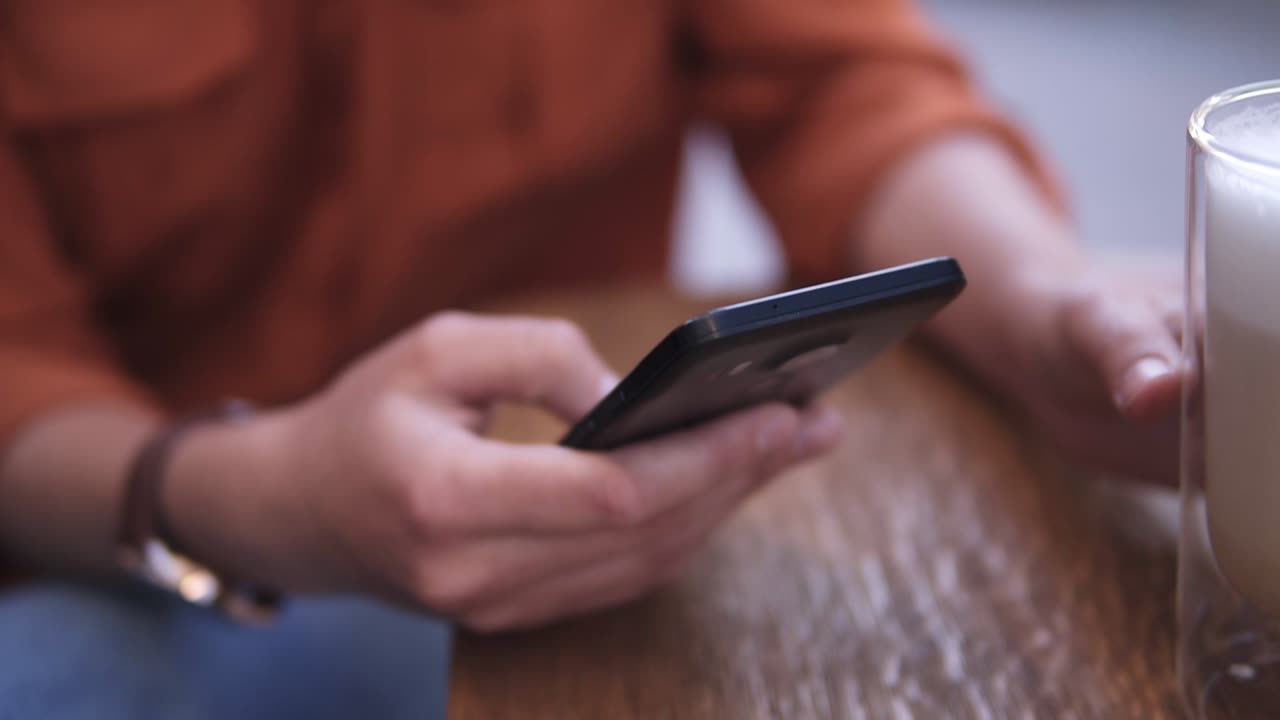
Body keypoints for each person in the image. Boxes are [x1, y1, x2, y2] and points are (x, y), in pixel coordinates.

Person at [0, 0, 1181, 716]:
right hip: (133, 556)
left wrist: (1043, 291)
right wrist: (258, 494)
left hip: (603, 535)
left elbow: (846, 85)